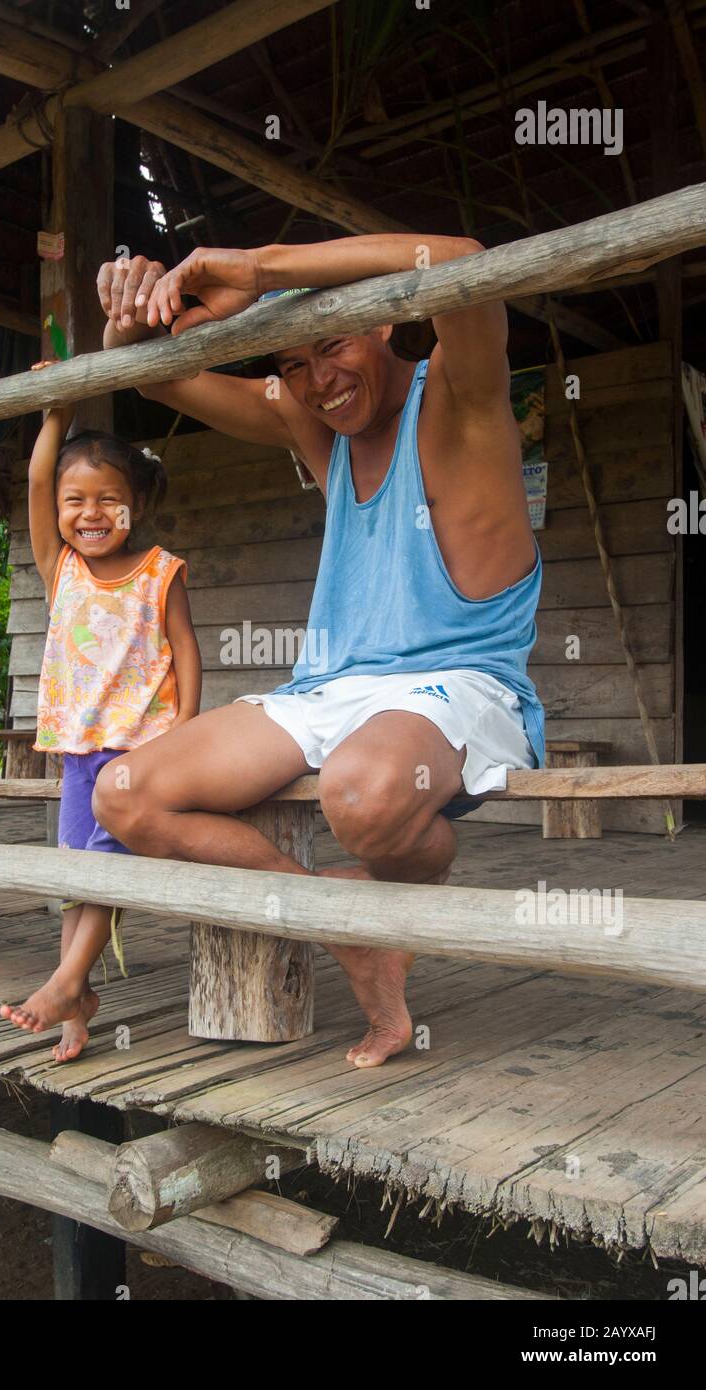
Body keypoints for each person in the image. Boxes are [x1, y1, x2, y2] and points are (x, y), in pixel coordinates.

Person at [89, 234, 543, 1069]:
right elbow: (151, 373)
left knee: (363, 798)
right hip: (329, 690)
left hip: (460, 684)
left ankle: (377, 906)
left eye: (331, 345)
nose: (317, 382)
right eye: (293, 364)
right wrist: (134, 310)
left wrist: (259, 269)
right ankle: (352, 934)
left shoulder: (458, 396)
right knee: (123, 794)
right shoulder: (315, 426)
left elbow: (460, 263)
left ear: (382, 326)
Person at [0, 365, 201, 1060]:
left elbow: (185, 650)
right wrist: (54, 411)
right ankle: (74, 1002)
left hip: (138, 750)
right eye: (73, 500)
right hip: (77, 749)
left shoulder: (160, 571)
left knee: (106, 866)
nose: (89, 514)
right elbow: (33, 481)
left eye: (107, 500)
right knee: (75, 874)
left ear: (135, 505)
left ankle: (64, 986)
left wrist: (187, 733)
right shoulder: (62, 570)